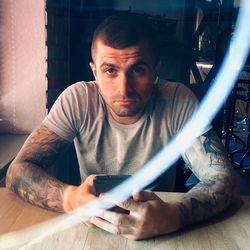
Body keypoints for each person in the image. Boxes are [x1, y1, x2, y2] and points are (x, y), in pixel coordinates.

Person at [6, 12, 239, 240]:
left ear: (156, 70)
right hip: (91, 229)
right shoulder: (78, 99)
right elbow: (18, 170)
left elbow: (223, 178)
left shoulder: (178, 99)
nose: (124, 88)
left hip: (160, 231)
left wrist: (175, 215)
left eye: (137, 70)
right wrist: (70, 198)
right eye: (110, 71)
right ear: (95, 72)